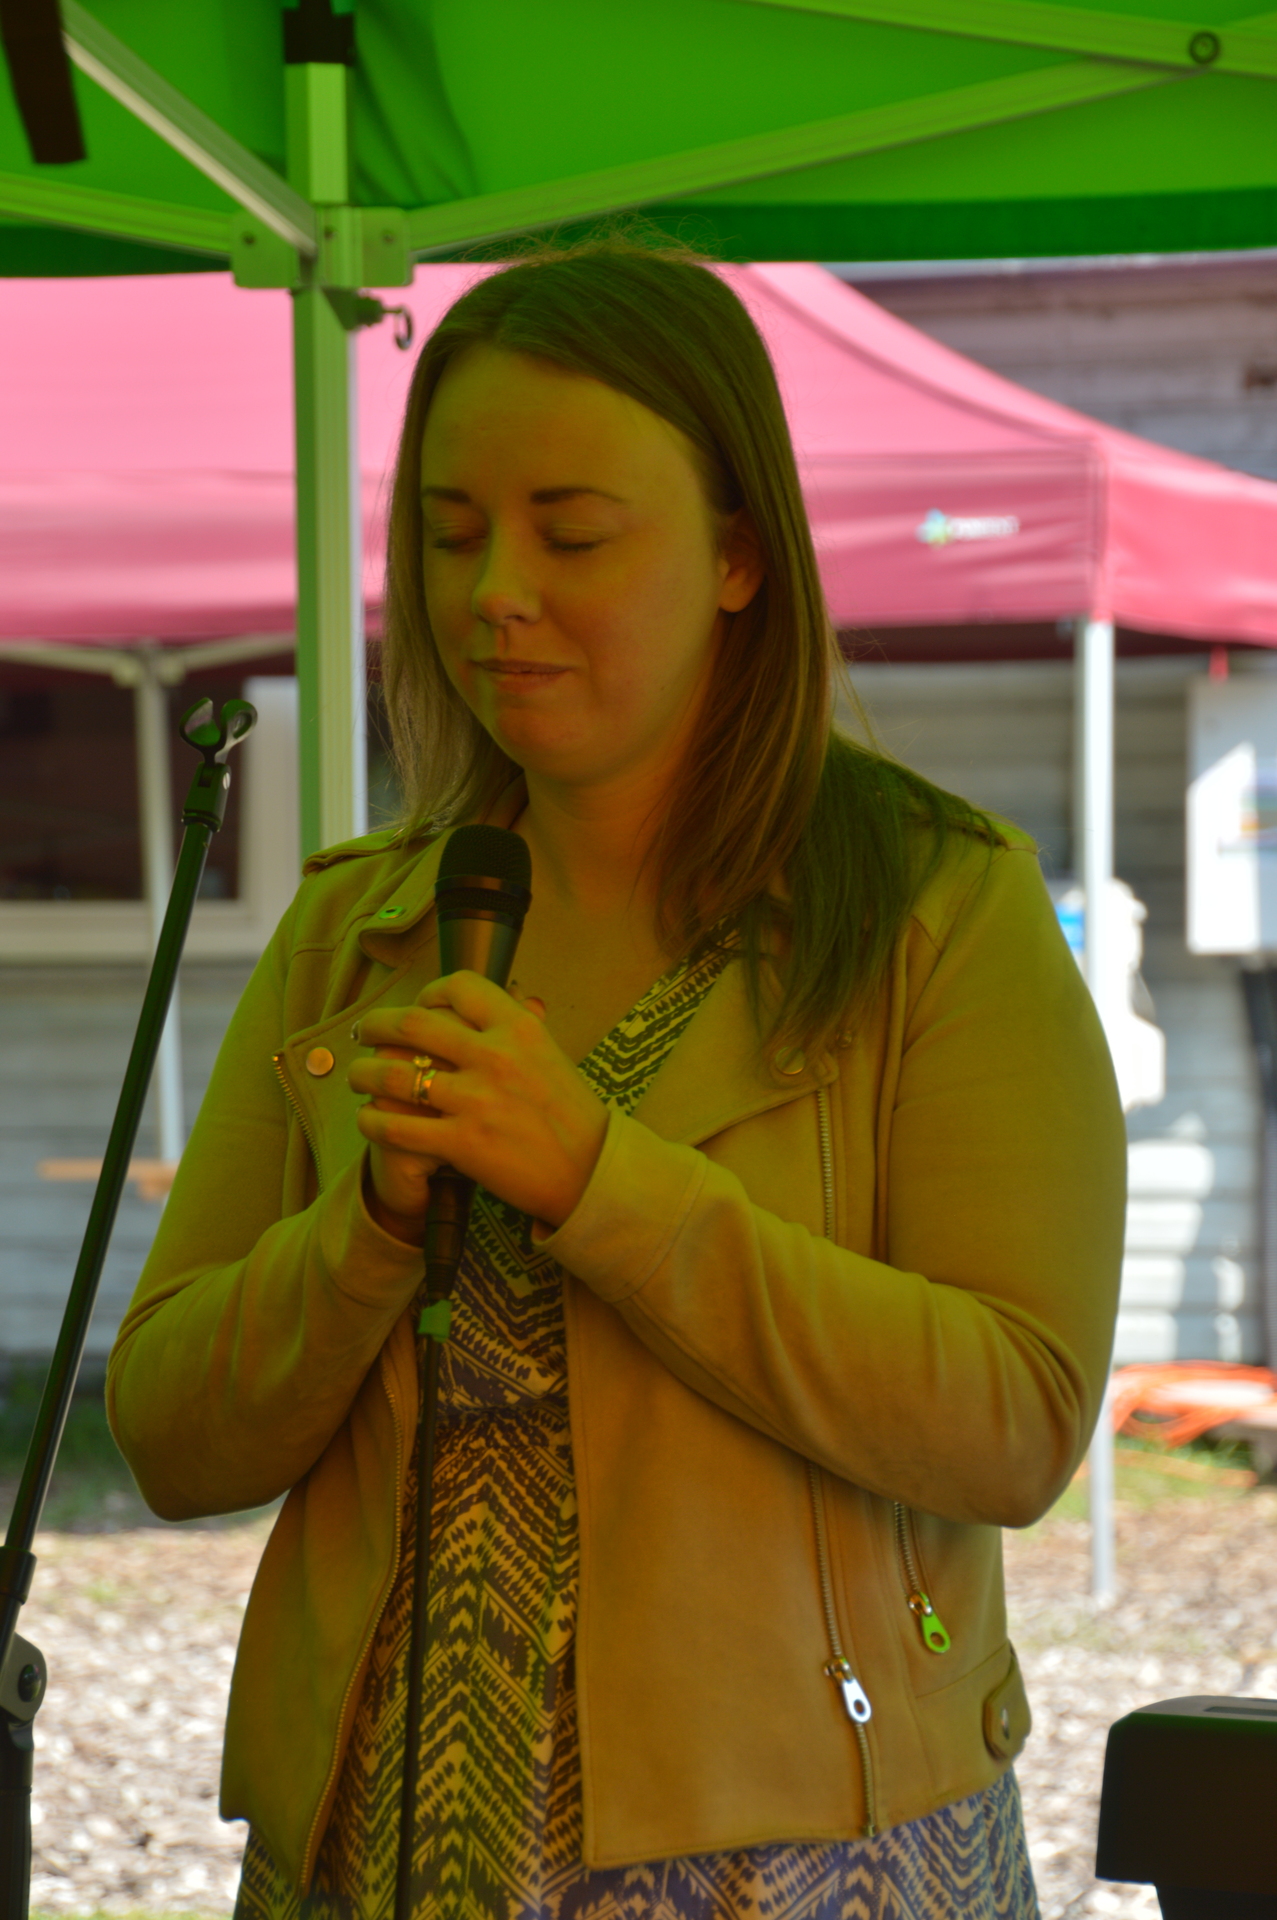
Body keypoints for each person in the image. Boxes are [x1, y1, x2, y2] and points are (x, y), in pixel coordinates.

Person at [107, 236, 1126, 1920]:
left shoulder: (936, 908)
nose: (493, 590)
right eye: (451, 533)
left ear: (737, 554)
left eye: (571, 534)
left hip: (803, 1858)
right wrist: (363, 1228)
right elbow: (167, 1433)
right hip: (385, 1844)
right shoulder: (356, 931)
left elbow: (1014, 1423)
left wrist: (601, 1180)